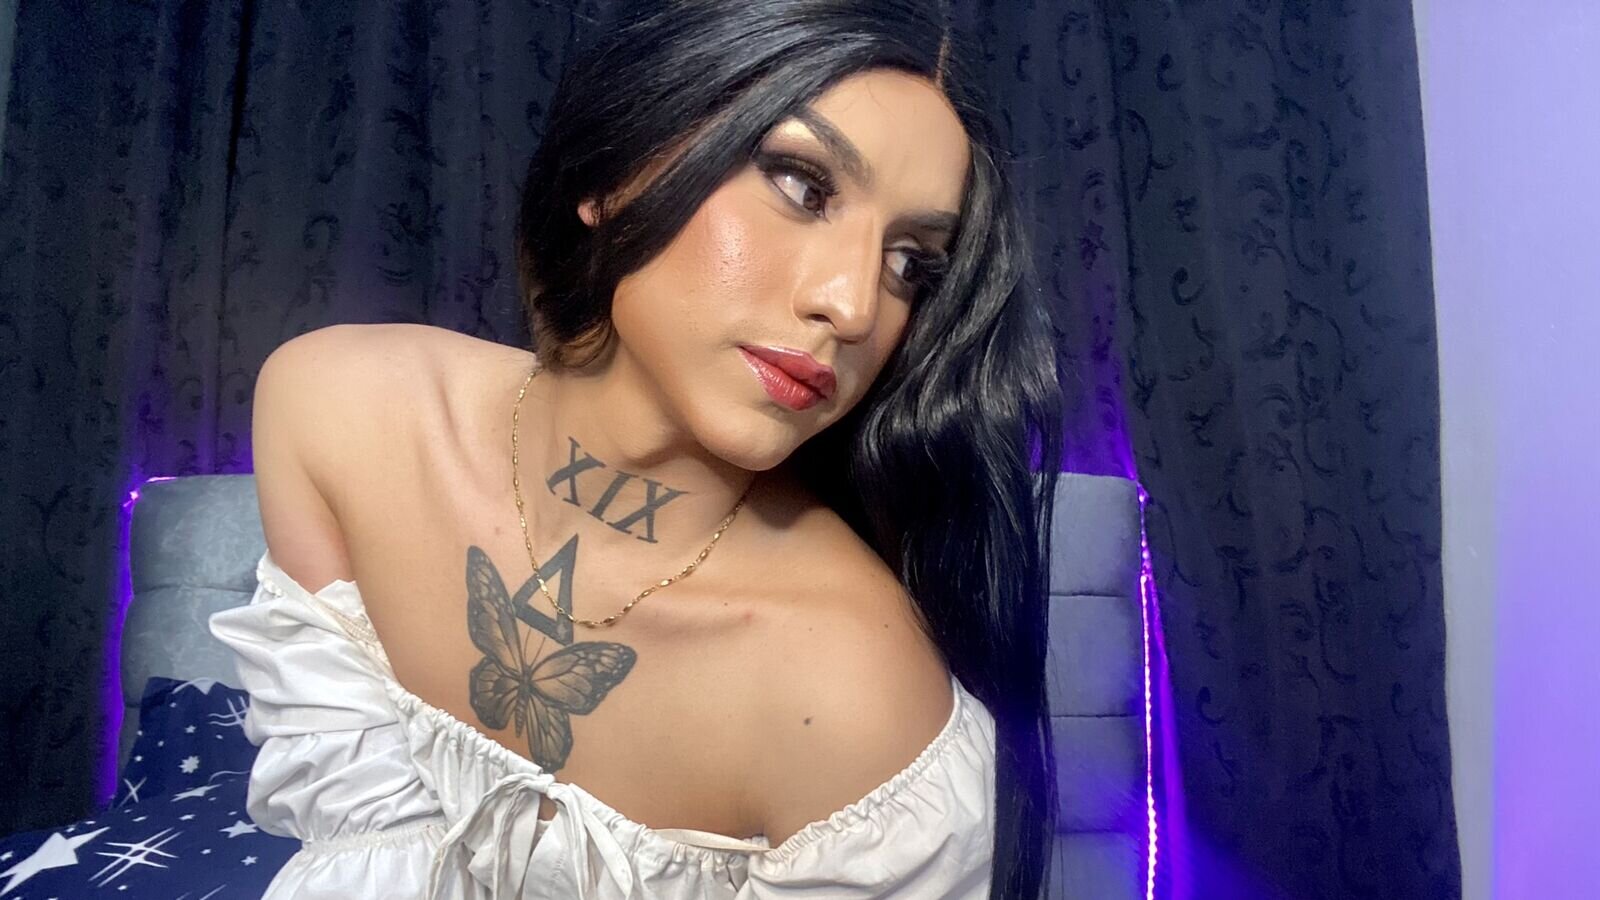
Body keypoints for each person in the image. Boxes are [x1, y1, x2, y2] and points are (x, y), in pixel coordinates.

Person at [209, 0, 1065, 896]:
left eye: (910, 263)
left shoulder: (858, 700)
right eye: (802, 186)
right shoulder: (339, 412)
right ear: (614, 170)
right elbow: (358, 846)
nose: (852, 306)